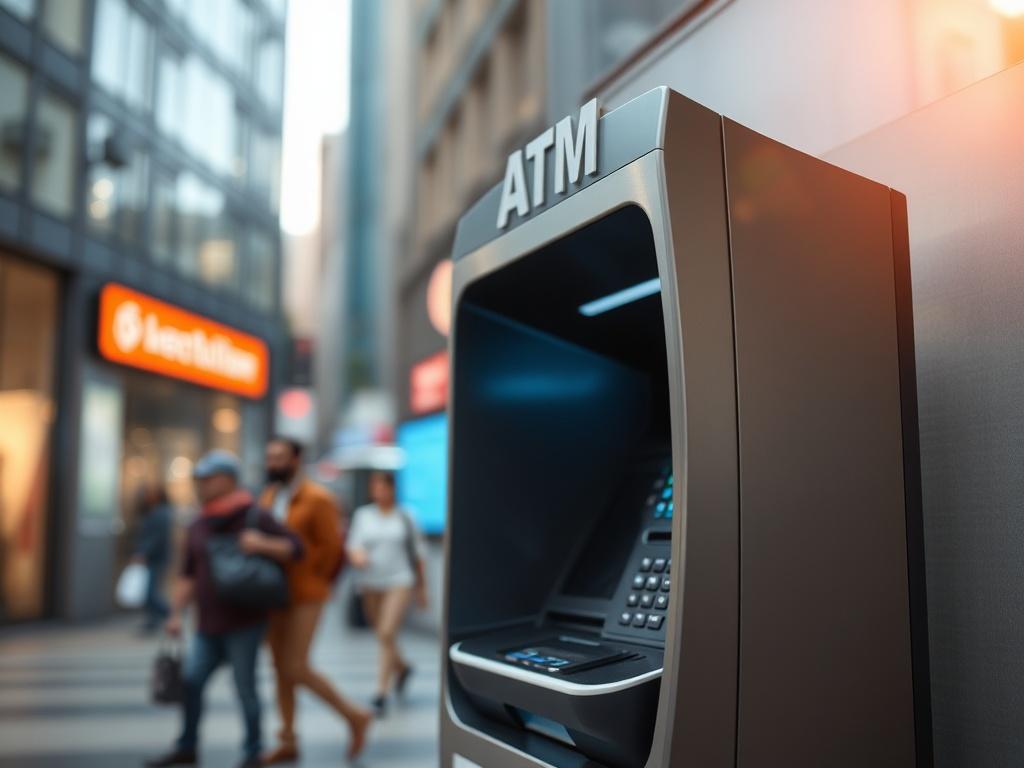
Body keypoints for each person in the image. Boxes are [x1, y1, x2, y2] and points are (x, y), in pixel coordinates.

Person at [145, 450, 303, 768]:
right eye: (200, 479)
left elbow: (296, 548)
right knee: (191, 682)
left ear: (228, 480)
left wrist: (261, 544)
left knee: (245, 688)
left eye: (209, 479)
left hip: (245, 621)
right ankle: (187, 746)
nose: (202, 485)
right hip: (207, 624)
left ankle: (252, 751)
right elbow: (188, 573)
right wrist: (176, 613)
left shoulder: (255, 515)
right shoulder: (199, 523)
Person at [260, 437, 372, 764]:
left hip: (306, 594)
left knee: (296, 665)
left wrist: (313, 577)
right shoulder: (269, 496)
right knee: (280, 668)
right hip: (273, 594)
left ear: (296, 459)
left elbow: (333, 548)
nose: (273, 463)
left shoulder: (318, 498)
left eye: (279, 457)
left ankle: (354, 716)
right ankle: (288, 739)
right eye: (270, 457)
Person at [347, 471, 427, 716]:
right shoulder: (364, 515)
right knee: (382, 635)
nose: (381, 492)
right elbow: (353, 545)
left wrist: (422, 589)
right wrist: (357, 556)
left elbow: (418, 555)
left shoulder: (406, 516)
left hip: (399, 580)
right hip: (370, 582)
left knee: (387, 631)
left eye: (385, 487)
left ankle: (381, 692)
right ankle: (402, 667)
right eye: (377, 487)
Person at [131, 483, 173, 634]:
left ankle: (172, 614)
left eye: (149, 493)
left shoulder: (161, 512)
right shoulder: (152, 511)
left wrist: (143, 552)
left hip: (156, 558)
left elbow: (156, 537)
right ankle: (152, 621)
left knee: (151, 593)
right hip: (152, 557)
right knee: (149, 591)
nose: (146, 496)